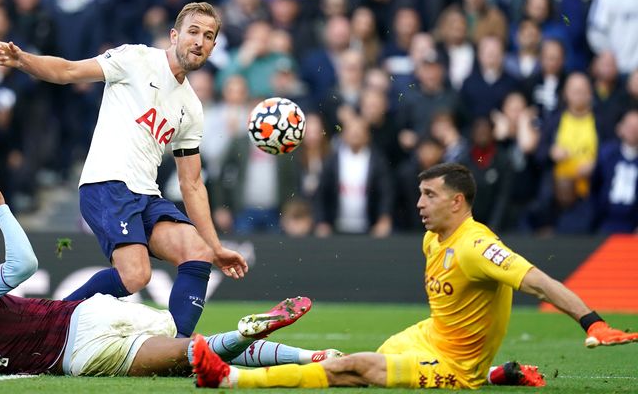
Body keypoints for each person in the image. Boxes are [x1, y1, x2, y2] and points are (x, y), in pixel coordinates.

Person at [193, 163, 638, 389]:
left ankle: (230, 379)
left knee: (356, 367)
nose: (420, 203)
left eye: (430, 195)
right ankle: (501, 374)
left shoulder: (477, 246)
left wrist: (592, 321)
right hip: (430, 336)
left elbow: (540, 282)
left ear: (458, 202)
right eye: (420, 194)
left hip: (456, 365)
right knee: (362, 364)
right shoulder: (432, 239)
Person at [0, 167, 340, 376]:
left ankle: (306, 359)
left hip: (78, 362)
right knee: (186, 347)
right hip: (84, 321)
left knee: (185, 357)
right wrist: (1, 209)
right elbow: (24, 264)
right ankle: (254, 335)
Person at [0, 2, 248, 338]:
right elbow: (68, 71)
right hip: (106, 184)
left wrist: (215, 246)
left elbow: (193, 183)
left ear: (214, 47)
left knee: (197, 252)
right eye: (193, 32)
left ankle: (177, 348)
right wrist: (22, 60)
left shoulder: (191, 108)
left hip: (146, 194)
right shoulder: (136, 60)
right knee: (135, 276)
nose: (200, 41)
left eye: (209, 36)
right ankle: (43, 328)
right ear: (174, 35)